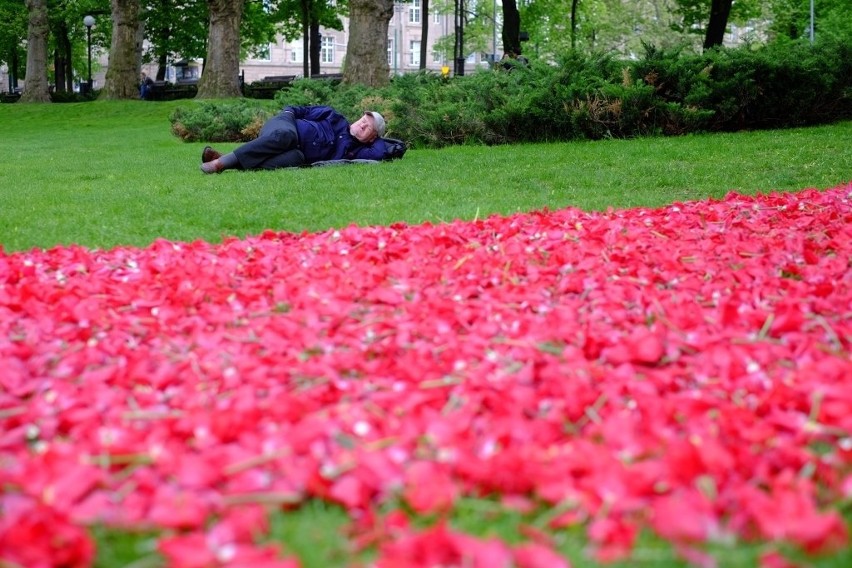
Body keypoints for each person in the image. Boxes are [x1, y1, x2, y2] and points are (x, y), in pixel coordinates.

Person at [201, 106, 389, 174]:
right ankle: (219, 163)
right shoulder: (334, 117)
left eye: (368, 128)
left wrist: (378, 139)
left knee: (294, 158)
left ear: (372, 138)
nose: (362, 125)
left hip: (295, 151)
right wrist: (287, 114)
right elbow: (301, 110)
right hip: (285, 126)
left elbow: (381, 152)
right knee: (286, 137)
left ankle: (226, 158)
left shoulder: (355, 151)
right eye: (364, 120)